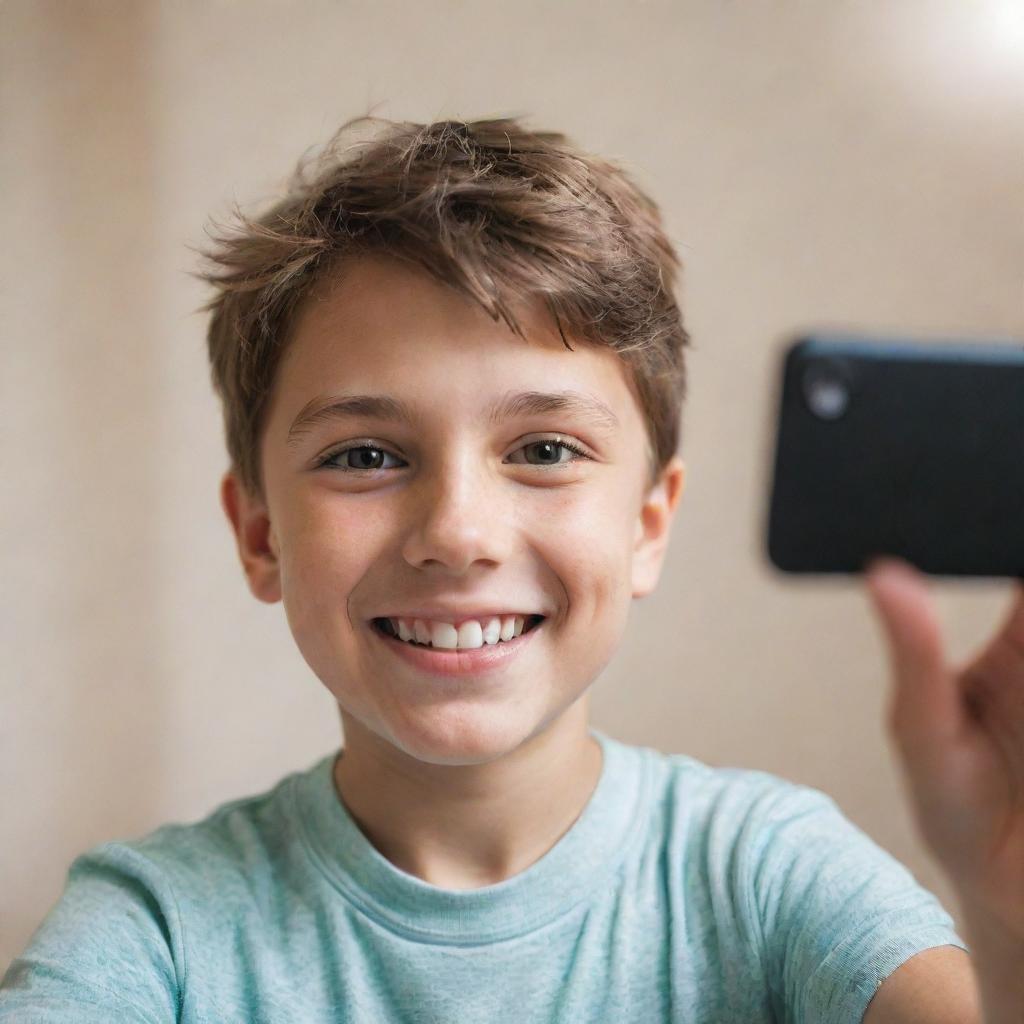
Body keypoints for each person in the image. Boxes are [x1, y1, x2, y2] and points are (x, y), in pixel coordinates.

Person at [2, 116, 1019, 1023]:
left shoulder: (765, 872)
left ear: (647, 526)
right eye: (364, 455)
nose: (457, 532)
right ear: (261, 534)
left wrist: (1002, 919)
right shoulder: (158, 935)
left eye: (542, 449)